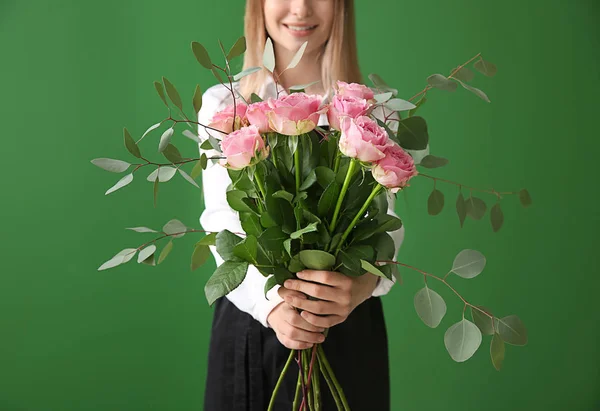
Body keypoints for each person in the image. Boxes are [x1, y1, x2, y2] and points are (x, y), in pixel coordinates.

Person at [198, 1, 427, 409]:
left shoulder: (376, 111)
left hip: (347, 325)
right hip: (255, 327)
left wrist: (360, 286)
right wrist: (272, 308)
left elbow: (386, 221)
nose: (300, 8)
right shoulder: (226, 105)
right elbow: (222, 223)